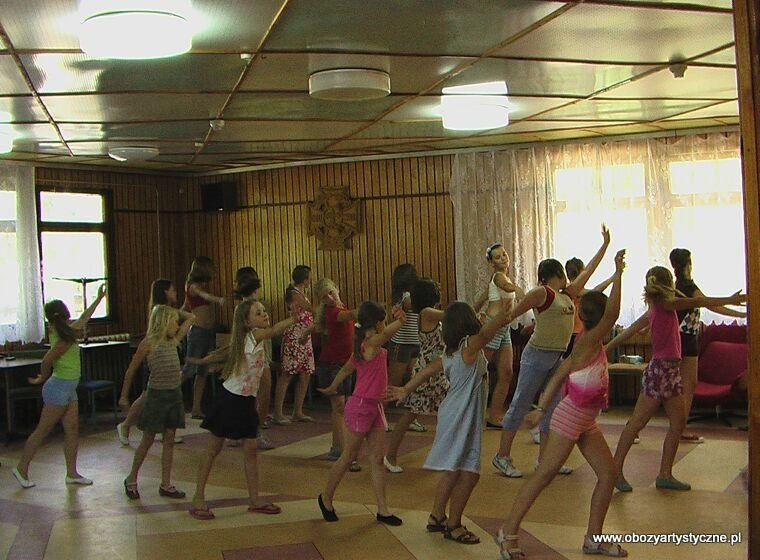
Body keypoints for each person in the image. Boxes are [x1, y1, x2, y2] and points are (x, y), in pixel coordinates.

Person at [495, 250, 628, 560]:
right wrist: (619, 272)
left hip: (585, 420)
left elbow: (558, 375)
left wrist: (542, 408)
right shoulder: (590, 339)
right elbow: (614, 313)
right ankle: (508, 532)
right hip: (572, 418)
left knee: (608, 475)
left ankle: (593, 539)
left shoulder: (584, 343)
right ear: (599, 319)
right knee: (544, 475)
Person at [609, 266, 745, 492]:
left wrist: (605, 347)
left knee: (678, 422)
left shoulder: (657, 307)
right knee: (637, 422)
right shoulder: (665, 305)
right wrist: (730, 299)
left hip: (670, 372)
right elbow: (696, 302)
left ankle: (665, 474)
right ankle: (615, 471)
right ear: (668, 284)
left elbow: (631, 329)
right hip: (660, 371)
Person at [387, 299, 511, 544]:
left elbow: (428, 370)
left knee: (453, 471)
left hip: (456, 415)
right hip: (460, 418)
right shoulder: (468, 348)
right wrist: (500, 318)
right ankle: (453, 525)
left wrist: (405, 389)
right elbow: (485, 335)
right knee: (469, 474)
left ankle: (436, 516)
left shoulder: (451, 352)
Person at [492, 226, 611, 478]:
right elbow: (514, 312)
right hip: (536, 357)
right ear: (552, 276)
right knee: (520, 404)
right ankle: (502, 456)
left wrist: (605, 245)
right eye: (561, 276)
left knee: (552, 409)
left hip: (556, 358)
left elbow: (588, 271)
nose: (566, 280)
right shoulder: (543, 293)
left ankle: (544, 461)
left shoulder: (567, 294)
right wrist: (494, 324)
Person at [188, 299, 297, 520]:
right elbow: (275, 329)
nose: (265, 314)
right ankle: (198, 497)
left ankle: (255, 500)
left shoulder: (250, 341)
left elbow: (231, 354)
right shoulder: (254, 335)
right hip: (230, 399)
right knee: (213, 449)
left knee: (251, 450)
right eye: (258, 313)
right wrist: (295, 318)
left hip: (247, 400)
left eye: (264, 311)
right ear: (247, 322)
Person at [316, 301, 406, 526]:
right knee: (348, 456)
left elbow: (347, 369)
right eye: (383, 321)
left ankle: (383, 509)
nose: (385, 325)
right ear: (377, 323)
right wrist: (400, 321)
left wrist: (332, 386)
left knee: (377, 459)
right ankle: (326, 496)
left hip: (375, 407)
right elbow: (386, 334)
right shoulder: (370, 343)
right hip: (361, 407)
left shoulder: (364, 346)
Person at [12, 284, 107, 489]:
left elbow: (85, 317)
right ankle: (21, 469)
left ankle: (72, 474)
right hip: (58, 387)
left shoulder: (68, 332)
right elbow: (47, 360)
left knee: (72, 430)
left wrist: (99, 299)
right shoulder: (63, 337)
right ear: (64, 314)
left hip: (69, 388)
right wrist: (42, 378)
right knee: (42, 430)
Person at [669, 248, 746, 444]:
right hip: (686, 340)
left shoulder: (678, 285)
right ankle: (680, 429)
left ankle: (679, 428)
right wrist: (741, 313)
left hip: (683, 339)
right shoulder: (687, 285)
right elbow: (710, 304)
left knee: (683, 385)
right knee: (686, 386)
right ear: (688, 264)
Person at [122, 305, 195, 500]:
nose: (177, 325)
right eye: (173, 321)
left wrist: (170, 310)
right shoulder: (149, 343)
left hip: (174, 394)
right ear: (163, 322)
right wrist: (124, 395)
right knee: (147, 439)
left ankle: (166, 483)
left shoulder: (174, 340)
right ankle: (131, 478)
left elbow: (191, 317)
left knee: (169, 440)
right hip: (157, 395)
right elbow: (131, 370)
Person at [117, 279, 192, 446]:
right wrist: (123, 396)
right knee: (146, 395)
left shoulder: (167, 312)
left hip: (166, 350)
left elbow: (185, 318)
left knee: (154, 395)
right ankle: (126, 424)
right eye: (173, 290)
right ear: (165, 292)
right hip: (155, 355)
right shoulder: (158, 311)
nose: (175, 293)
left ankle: (165, 431)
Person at [384, 277, 447, 472]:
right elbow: (451, 315)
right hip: (425, 372)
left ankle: (443, 455)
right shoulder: (427, 312)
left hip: (438, 371)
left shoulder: (426, 312)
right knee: (411, 413)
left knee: (446, 412)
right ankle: (390, 456)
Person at [473, 243, 524, 427]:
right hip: (493, 327)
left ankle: (494, 417)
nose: (503, 258)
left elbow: (482, 298)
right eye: (497, 257)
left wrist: (474, 311)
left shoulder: (499, 278)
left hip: (504, 329)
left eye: (504, 254)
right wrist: (516, 289)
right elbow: (506, 286)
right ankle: (471, 413)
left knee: (507, 373)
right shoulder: (498, 277)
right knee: (479, 372)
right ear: (492, 263)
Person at [313, 278, 359, 468]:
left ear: (337, 289)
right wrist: (366, 311)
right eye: (325, 297)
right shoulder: (333, 313)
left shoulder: (340, 308)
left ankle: (338, 447)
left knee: (344, 407)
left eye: (331, 293)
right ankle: (340, 450)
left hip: (345, 364)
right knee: (339, 407)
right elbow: (349, 315)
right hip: (331, 366)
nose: (330, 298)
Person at [232, 267, 274, 449]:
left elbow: (266, 330)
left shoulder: (258, 306)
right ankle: (241, 430)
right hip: (247, 355)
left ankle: (256, 430)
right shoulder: (242, 309)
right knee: (243, 394)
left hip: (260, 354)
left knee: (263, 390)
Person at [182, 256, 225, 419]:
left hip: (207, 331)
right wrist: (218, 299)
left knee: (203, 371)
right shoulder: (193, 286)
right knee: (189, 370)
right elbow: (205, 296)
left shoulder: (199, 286)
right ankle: (167, 392)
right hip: (198, 331)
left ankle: (196, 408)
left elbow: (186, 305)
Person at [273, 265, 315, 424]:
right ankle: (278, 412)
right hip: (294, 337)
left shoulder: (301, 293)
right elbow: (308, 308)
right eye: (309, 277)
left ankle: (298, 411)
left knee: (305, 374)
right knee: (288, 373)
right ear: (304, 279)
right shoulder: (294, 293)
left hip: (306, 336)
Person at [386, 264, 424, 431]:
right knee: (393, 381)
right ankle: (380, 417)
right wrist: (429, 294)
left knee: (414, 381)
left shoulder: (413, 294)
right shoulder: (405, 296)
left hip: (415, 343)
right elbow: (415, 305)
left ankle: (410, 418)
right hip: (401, 344)